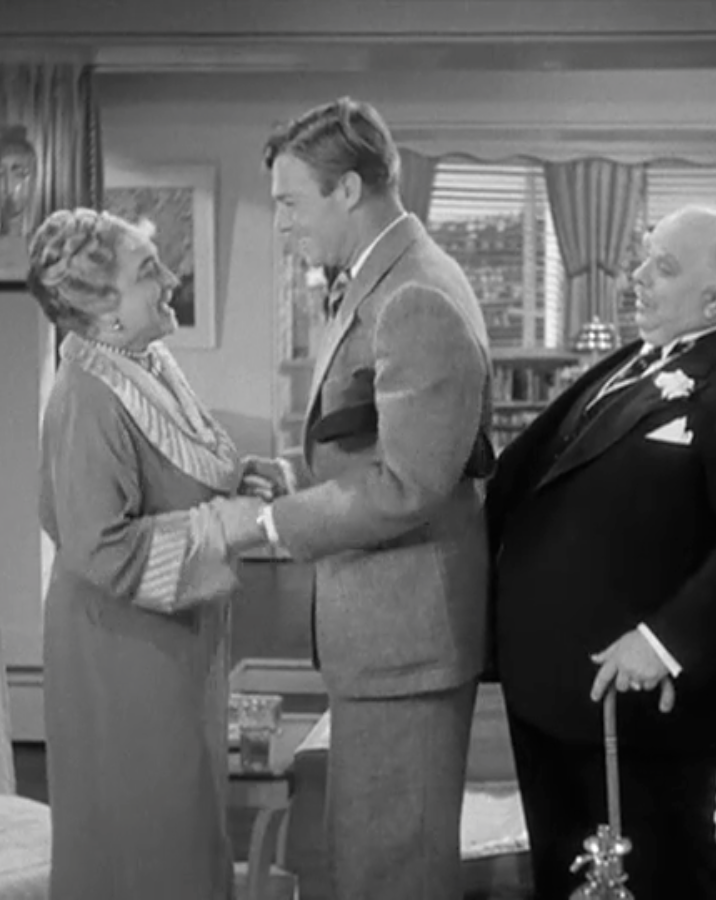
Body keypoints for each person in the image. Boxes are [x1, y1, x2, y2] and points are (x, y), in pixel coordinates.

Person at [485, 205, 716, 900]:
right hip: (552, 694)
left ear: (715, 300)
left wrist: (663, 643)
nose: (636, 276)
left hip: (636, 710)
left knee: (662, 882)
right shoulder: (637, 359)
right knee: (567, 882)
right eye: (643, 257)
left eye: (662, 266)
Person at [244, 97, 494, 900]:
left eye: (291, 203)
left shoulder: (415, 294)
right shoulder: (378, 279)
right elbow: (373, 441)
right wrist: (293, 475)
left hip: (407, 637)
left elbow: (410, 483)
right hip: (384, 638)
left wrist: (270, 524)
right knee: (367, 863)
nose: (283, 223)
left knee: (392, 874)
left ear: (348, 189)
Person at [28, 208, 268, 900]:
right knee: (153, 837)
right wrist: (227, 526)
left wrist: (246, 482)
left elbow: (179, 476)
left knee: (186, 826)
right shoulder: (87, 397)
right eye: (147, 272)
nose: (170, 278)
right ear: (104, 311)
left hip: (170, 640)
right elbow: (100, 547)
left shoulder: (145, 361)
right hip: (120, 650)